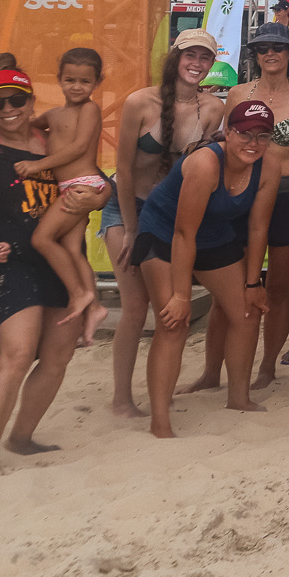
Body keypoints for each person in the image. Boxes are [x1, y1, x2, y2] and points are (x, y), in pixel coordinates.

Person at [132, 101, 280, 438]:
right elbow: (184, 233)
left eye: (262, 136)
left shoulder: (268, 165)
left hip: (213, 233)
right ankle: (160, 420)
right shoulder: (205, 163)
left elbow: (259, 228)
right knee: (174, 322)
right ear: (228, 132)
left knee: (247, 310)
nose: (252, 143)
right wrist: (183, 295)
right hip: (164, 232)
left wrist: (254, 282)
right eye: (244, 134)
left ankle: (239, 398)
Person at [0, 59, 83, 476]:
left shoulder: (52, 139)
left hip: (57, 256)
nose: (8, 108)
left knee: (58, 354)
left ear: (33, 101)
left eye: (17, 99)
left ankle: (21, 436)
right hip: (6, 260)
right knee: (17, 354)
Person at [106, 30, 225, 418]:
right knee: (135, 306)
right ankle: (122, 398)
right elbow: (123, 172)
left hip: (169, 214)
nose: (197, 63)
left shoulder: (212, 108)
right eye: (190, 54)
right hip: (127, 208)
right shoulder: (140, 102)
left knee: (167, 310)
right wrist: (131, 227)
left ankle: (161, 388)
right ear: (175, 58)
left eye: (204, 57)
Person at [230, 23, 289, 390]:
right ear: (255, 54)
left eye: (279, 48)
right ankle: (234, 364)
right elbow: (228, 150)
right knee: (239, 287)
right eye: (263, 47)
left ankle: (267, 367)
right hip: (245, 194)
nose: (271, 53)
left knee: (280, 288)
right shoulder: (236, 95)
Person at [25, 47, 110, 337]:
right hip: (72, 187)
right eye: (70, 80)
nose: (77, 87)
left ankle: (78, 293)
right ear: (58, 79)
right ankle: (95, 306)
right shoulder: (53, 114)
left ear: (97, 83)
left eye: (85, 82)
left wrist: (38, 166)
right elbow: (26, 125)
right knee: (73, 250)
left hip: (82, 186)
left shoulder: (90, 109)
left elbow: (79, 147)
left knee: (42, 238)